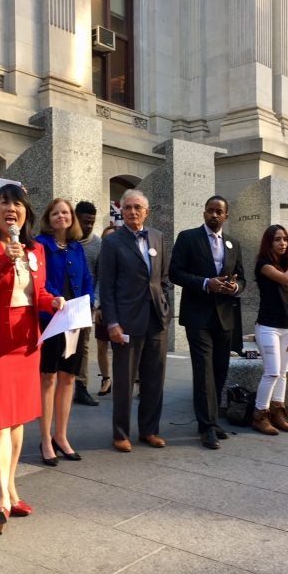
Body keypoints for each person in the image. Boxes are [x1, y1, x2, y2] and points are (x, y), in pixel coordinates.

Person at [0, 184, 64, 534]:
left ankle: (10, 489)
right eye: (4, 203)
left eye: (17, 204)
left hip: (25, 345)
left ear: (26, 213)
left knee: (18, 421)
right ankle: (0, 499)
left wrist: (53, 302)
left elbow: (38, 293)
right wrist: (5, 261)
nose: (11, 209)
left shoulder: (37, 250)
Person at [169, 196, 245, 450]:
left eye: (219, 212)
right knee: (203, 371)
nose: (214, 215)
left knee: (220, 370)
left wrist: (235, 287)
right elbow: (175, 272)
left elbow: (243, 279)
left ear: (226, 216)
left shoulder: (233, 243)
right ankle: (206, 427)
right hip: (197, 316)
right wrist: (205, 283)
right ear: (204, 213)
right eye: (210, 211)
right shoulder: (188, 238)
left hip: (224, 317)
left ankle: (212, 419)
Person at [99, 189, 170, 452]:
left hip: (156, 319)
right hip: (126, 322)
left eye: (137, 207)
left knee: (154, 379)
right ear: (121, 211)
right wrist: (112, 323)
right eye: (127, 207)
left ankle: (150, 430)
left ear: (146, 211)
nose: (132, 212)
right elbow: (106, 287)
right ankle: (120, 433)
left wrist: (165, 307)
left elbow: (163, 279)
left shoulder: (158, 237)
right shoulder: (113, 242)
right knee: (124, 380)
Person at [36, 198, 94, 465]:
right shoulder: (40, 245)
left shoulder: (76, 248)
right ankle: (45, 439)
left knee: (68, 378)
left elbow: (87, 279)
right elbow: (39, 280)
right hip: (51, 318)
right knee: (48, 378)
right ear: (49, 218)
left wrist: (89, 303)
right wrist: (55, 298)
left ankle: (62, 436)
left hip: (75, 318)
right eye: (56, 213)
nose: (62, 216)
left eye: (66, 212)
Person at [251, 225, 288, 435]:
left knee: (283, 372)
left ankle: (278, 411)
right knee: (272, 372)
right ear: (268, 243)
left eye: (285, 240)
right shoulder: (263, 265)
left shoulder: (286, 264)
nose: (283, 243)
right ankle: (259, 414)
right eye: (277, 240)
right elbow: (287, 279)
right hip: (268, 327)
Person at [72, 200, 100, 406]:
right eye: (85, 221)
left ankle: (81, 387)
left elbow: (102, 275)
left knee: (83, 347)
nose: (89, 226)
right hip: (62, 302)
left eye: (92, 222)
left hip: (86, 303)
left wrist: (95, 301)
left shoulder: (98, 244)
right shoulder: (65, 240)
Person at [94, 225, 117, 396]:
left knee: (121, 347)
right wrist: (98, 306)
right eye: (106, 239)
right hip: (103, 308)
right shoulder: (100, 258)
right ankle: (106, 379)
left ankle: (131, 380)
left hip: (122, 309)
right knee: (102, 346)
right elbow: (98, 283)